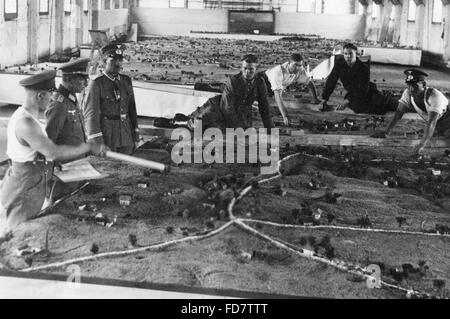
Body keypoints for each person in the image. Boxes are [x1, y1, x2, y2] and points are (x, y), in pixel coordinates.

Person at [0, 71, 108, 237]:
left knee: (30, 231)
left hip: (32, 183)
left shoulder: (32, 118)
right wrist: (88, 147)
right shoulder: (25, 122)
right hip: (23, 188)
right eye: (50, 95)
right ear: (40, 95)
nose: (52, 99)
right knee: (19, 235)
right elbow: (53, 151)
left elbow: (43, 153)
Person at [187, 54, 273, 132]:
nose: (247, 72)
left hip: (242, 114)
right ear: (241, 68)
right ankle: (188, 121)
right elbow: (227, 108)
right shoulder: (233, 81)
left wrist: (269, 128)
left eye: (251, 69)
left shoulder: (260, 83)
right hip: (218, 108)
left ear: (256, 69)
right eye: (245, 68)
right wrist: (236, 127)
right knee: (196, 127)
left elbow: (264, 107)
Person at [372, 69, 449, 155]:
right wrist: (386, 132)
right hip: (437, 126)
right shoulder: (408, 93)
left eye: (415, 86)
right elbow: (398, 114)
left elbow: (432, 122)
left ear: (423, 84)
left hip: (446, 123)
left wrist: (421, 146)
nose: (411, 89)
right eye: (409, 85)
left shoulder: (435, 96)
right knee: (431, 134)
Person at [83, 44, 141, 155]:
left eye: (120, 60)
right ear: (104, 62)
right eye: (113, 60)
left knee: (127, 165)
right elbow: (91, 114)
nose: (118, 64)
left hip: (126, 134)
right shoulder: (97, 83)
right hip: (107, 134)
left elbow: (132, 109)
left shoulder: (126, 81)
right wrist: (97, 140)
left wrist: (136, 132)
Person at [320, 42, 398, 115]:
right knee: (357, 108)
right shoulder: (340, 64)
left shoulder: (363, 68)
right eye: (345, 54)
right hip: (352, 93)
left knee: (383, 107)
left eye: (350, 53)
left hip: (367, 91)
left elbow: (363, 89)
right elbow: (331, 81)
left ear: (356, 54)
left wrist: (347, 101)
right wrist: (324, 100)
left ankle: (400, 102)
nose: (348, 56)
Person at [263, 53, 320, 125]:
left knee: (272, 103)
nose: (297, 68)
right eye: (295, 65)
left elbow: (309, 83)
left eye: (299, 65)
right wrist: (285, 116)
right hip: (263, 81)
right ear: (289, 63)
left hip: (276, 85)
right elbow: (278, 96)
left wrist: (315, 98)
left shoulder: (300, 70)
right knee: (265, 105)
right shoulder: (278, 72)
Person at [46, 58, 90, 149]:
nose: (86, 84)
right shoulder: (59, 104)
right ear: (69, 79)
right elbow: (49, 140)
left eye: (87, 79)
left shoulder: (71, 98)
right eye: (82, 79)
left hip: (77, 159)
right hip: (66, 161)